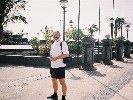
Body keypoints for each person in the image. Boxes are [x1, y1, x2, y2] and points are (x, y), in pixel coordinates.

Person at [47, 31, 69, 100]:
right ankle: (55, 94)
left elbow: (66, 54)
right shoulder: (53, 44)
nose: (55, 36)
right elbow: (51, 54)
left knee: (62, 81)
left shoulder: (63, 43)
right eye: (54, 35)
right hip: (53, 66)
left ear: (59, 35)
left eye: (57, 35)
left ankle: (63, 97)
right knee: (54, 80)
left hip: (60, 66)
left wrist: (56, 58)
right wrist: (51, 58)